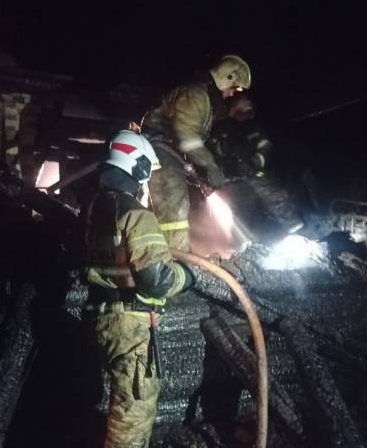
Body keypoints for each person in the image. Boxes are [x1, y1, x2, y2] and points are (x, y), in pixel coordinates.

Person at [84, 129, 193, 447]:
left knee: (117, 400)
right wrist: (188, 276)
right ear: (139, 167)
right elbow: (157, 281)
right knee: (133, 413)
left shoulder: (96, 208)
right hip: (130, 325)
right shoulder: (136, 214)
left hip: (102, 318)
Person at [142, 55, 252, 251]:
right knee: (173, 204)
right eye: (233, 88)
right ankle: (174, 256)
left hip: (166, 151)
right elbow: (188, 138)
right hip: (159, 148)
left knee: (170, 203)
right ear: (226, 77)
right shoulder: (196, 96)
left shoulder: (205, 99)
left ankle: (164, 253)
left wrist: (201, 175)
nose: (231, 94)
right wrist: (211, 168)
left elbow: (188, 142)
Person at [209, 96, 304, 237]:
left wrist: (254, 162)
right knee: (241, 211)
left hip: (254, 173)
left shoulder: (254, 128)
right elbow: (212, 152)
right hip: (231, 179)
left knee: (275, 197)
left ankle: (295, 228)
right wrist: (225, 152)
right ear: (235, 112)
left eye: (250, 112)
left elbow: (265, 148)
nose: (248, 115)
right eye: (244, 112)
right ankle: (250, 240)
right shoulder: (221, 129)